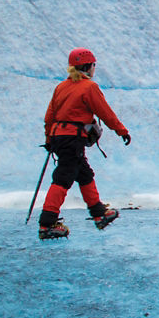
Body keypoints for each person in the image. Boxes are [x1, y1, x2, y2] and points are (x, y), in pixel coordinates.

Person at [37, 47, 132, 240]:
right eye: (93, 65)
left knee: (84, 173)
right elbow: (105, 113)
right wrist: (121, 130)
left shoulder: (61, 87)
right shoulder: (89, 87)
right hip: (73, 138)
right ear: (88, 66)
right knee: (63, 177)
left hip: (59, 137)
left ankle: (99, 213)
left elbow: (50, 116)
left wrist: (49, 139)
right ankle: (47, 224)